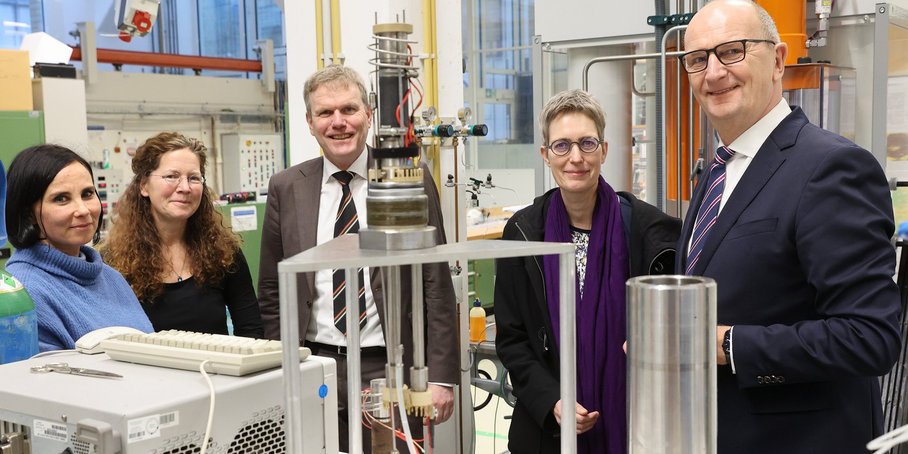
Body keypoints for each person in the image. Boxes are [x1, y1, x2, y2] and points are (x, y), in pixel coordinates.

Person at [677, 1, 901, 452]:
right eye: (697, 60)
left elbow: (869, 337)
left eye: (733, 51)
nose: (713, 73)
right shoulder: (715, 174)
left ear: (778, 59)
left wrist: (728, 344)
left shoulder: (831, 167)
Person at [257, 64, 458, 452]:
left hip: (391, 367)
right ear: (309, 122)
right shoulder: (285, 186)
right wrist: (281, 364)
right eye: (325, 113)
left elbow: (436, 279)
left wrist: (441, 376)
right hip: (312, 363)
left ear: (368, 115)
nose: (338, 122)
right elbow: (272, 285)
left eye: (348, 110)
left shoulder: (407, 177)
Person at [494, 89, 681, 454]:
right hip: (546, 432)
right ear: (546, 155)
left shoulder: (650, 231)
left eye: (587, 143)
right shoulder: (522, 232)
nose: (575, 158)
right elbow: (513, 340)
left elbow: (677, 325)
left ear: (604, 150)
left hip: (636, 426)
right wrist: (553, 400)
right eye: (562, 146)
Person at [101, 132, 263, 339]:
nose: (185, 187)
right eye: (172, 176)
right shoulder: (114, 262)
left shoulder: (223, 253)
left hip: (215, 370)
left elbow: (251, 330)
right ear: (144, 185)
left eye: (194, 178)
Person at [5, 144, 153, 351]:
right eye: (61, 199)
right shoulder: (24, 292)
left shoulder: (112, 279)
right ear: (29, 213)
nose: (83, 210)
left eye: (87, 194)